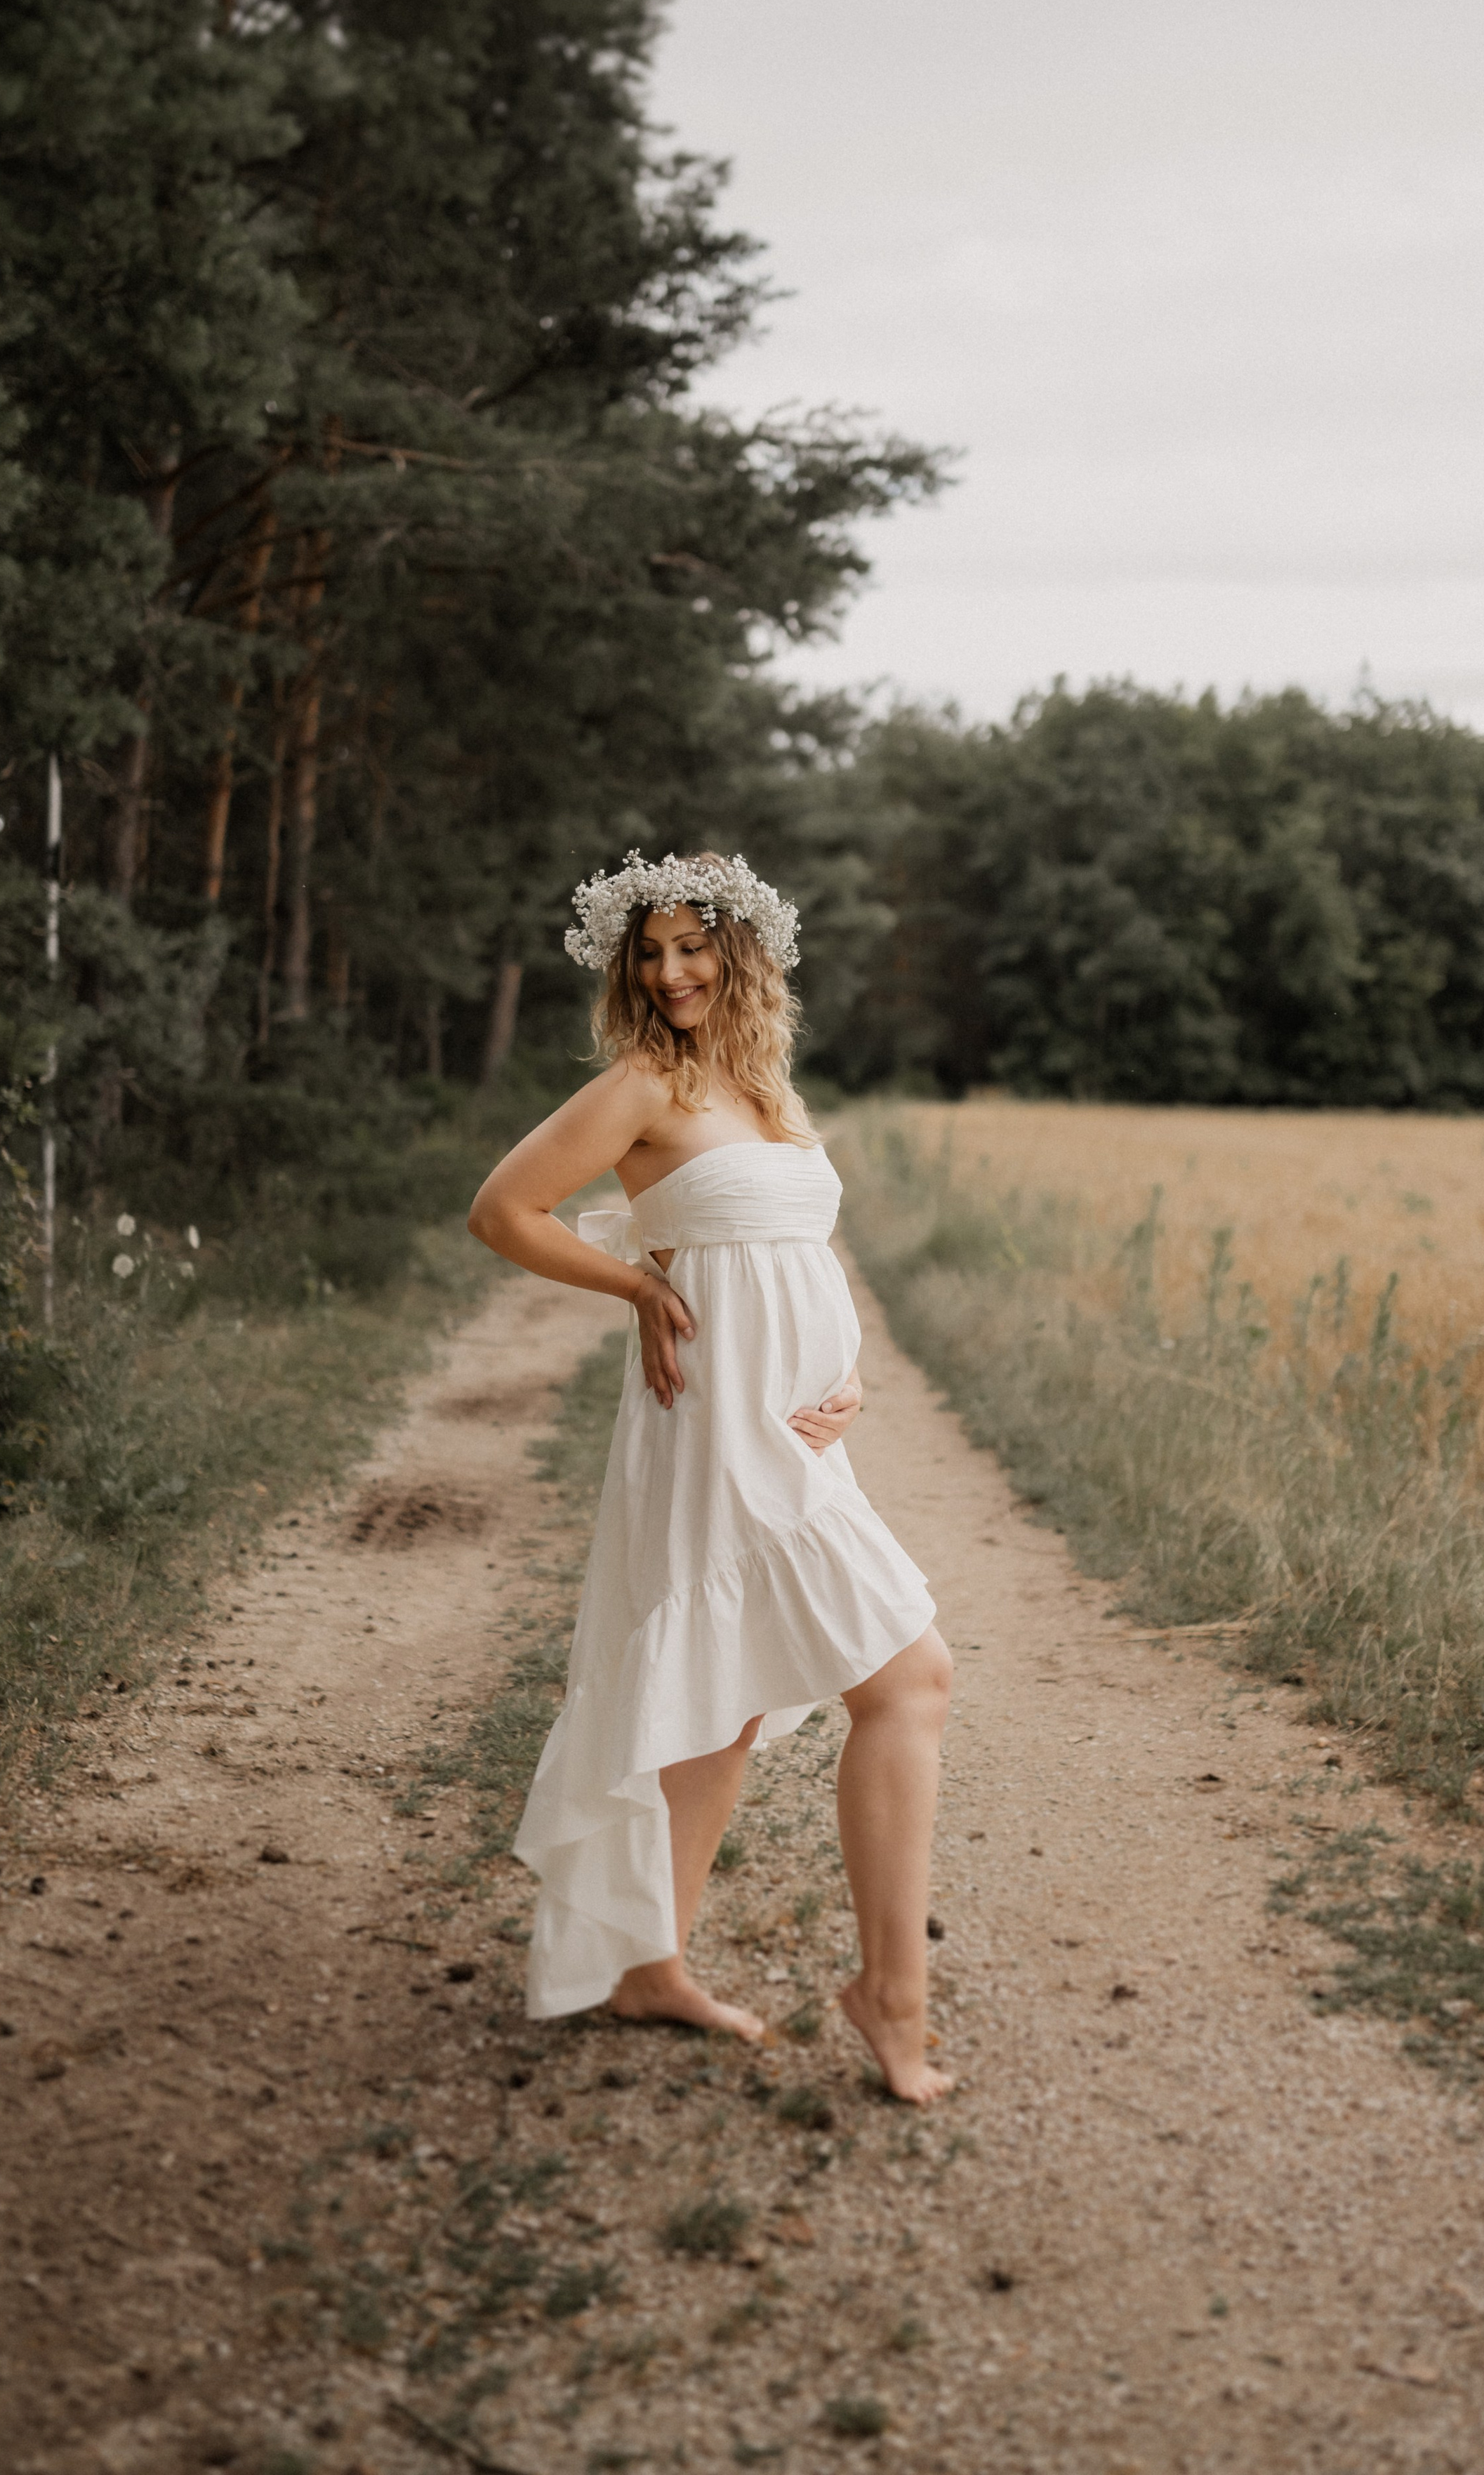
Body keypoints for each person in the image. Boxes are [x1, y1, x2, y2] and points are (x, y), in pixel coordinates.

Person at [467, 850, 953, 2104]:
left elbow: (796, 1251)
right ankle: (893, 2000)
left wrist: (848, 1379)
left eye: (693, 947)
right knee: (910, 1679)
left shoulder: (764, 1087)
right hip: (715, 1430)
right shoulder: (642, 1085)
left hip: (795, 1433)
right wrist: (635, 1282)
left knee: (724, 1701)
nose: (670, 972)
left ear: (742, 956)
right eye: (650, 951)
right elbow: (503, 1211)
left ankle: (645, 1965)